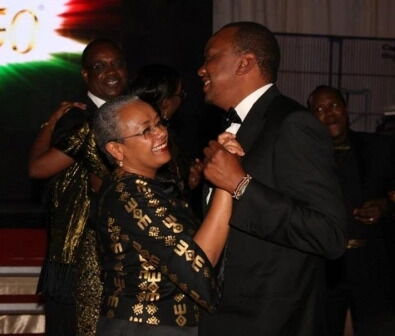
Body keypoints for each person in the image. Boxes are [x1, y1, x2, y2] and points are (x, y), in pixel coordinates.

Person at [197, 21, 348, 336]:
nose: (201, 69)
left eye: (210, 57)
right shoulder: (233, 127)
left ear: (246, 63)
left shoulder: (293, 123)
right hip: (221, 314)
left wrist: (241, 186)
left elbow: (329, 234)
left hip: (268, 322)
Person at [92, 95, 243, 335]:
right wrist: (227, 182)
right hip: (147, 327)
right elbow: (197, 264)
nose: (160, 133)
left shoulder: (139, 186)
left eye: (159, 123)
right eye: (146, 131)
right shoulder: (131, 193)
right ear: (116, 149)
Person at [28, 38, 128, 336]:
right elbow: (37, 169)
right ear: (86, 75)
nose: (111, 72)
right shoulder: (81, 120)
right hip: (81, 255)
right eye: (100, 66)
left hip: (117, 252)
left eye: (117, 65)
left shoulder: (128, 115)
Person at [307, 85, 395, 335]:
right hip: (324, 267)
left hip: (373, 263)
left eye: (333, 105)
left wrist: (385, 206)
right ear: (312, 117)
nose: (329, 113)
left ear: (345, 109)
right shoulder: (305, 157)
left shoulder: (379, 148)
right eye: (320, 109)